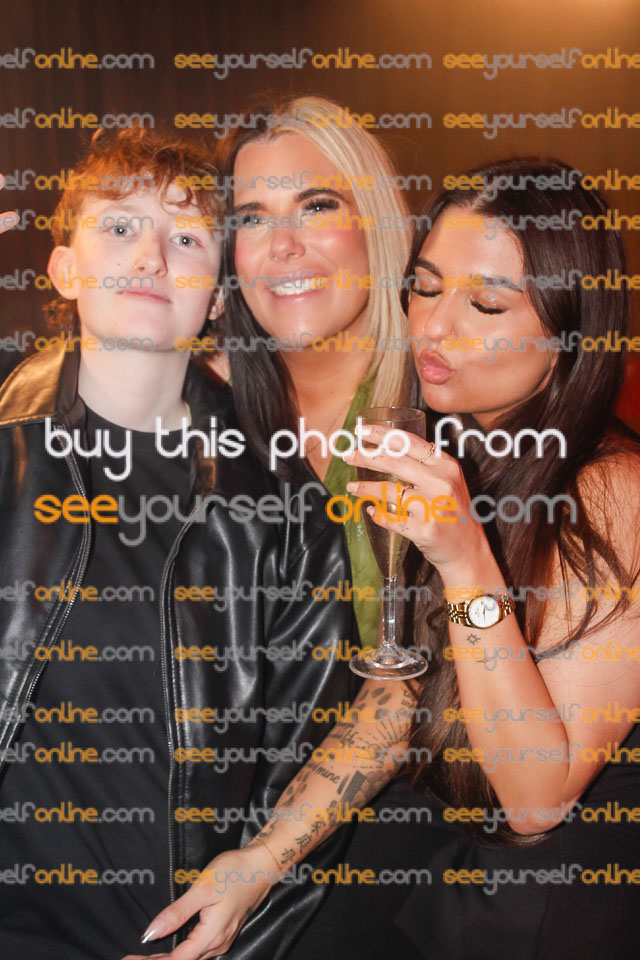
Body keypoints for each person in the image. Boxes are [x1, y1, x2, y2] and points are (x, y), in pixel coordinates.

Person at [139, 158, 640, 960]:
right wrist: (258, 862)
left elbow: (536, 797)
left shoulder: (612, 490)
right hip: (450, 843)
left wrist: (466, 560)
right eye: (425, 288)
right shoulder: (448, 444)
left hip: (553, 896)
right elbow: (401, 693)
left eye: (484, 304)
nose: (434, 327)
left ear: (568, 336)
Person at [0, 126, 357, 960]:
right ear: (64, 270)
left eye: (188, 237)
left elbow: (303, 776)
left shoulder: (286, 509)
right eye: (120, 225)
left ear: (221, 297)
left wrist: (227, 943)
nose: (152, 257)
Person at [209, 95, 414, 648]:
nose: (283, 246)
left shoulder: (456, 406)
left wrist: (472, 603)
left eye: (317, 206)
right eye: (252, 218)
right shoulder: (200, 416)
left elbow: (498, 618)